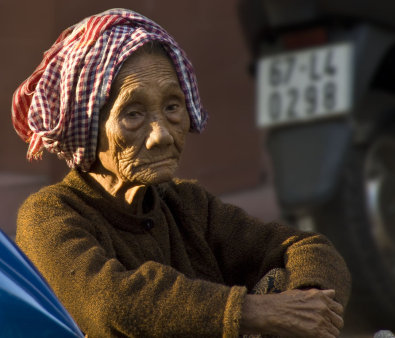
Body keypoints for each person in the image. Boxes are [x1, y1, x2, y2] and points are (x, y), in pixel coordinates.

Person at [12, 8, 351, 338]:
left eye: (172, 107)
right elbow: (112, 304)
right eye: (133, 114)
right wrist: (260, 312)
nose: (162, 134)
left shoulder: (187, 204)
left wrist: (307, 306)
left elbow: (306, 246)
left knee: (285, 276)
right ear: (86, 127)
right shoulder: (49, 215)